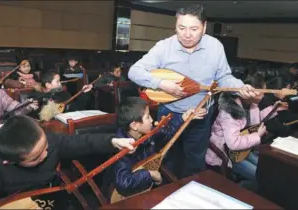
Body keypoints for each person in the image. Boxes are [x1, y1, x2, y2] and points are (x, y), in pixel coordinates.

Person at [127, 4, 260, 178]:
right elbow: (134, 71)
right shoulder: (164, 47)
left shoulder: (215, 47)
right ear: (175, 25)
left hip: (200, 115)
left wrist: (240, 87)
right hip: (170, 114)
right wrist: (161, 84)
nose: (187, 34)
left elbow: (224, 77)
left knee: (195, 161)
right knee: (167, 159)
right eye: (181, 28)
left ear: (204, 28)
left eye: (193, 29)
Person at [0, 115, 135, 210]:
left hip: (56, 199)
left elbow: (81, 142)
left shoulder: (49, 140)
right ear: (10, 161)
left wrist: (112, 141)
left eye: (45, 147)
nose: (46, 154)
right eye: (36, 157)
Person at [109, 97, 206, 198]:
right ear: (134, 125)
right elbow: (123, 182)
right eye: (147, 117)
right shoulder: (122, 147)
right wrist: (150, 174)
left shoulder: (147, 133)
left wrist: (183, 117)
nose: (151, 120)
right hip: (131, 196)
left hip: (148, 187)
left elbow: (166, 133)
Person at [205, 75, 287, 191]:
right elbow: (233, 144)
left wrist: (274, 109)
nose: (263, 95)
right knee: (261, 176)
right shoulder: (230, 112)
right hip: (227, 154)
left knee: (267, 170)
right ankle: (238, 189)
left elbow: (255, 121)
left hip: (243, 150)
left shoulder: (251, 105)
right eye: (261, 92)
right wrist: (257, 135)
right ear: (249, 92)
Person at [27, 70, 93, 120]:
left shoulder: (64, 95)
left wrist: (84, 93)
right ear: (48, 85)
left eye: (60, 81)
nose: (60, 84)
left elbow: (77, 108)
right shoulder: (37, 97)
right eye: (57, 81)